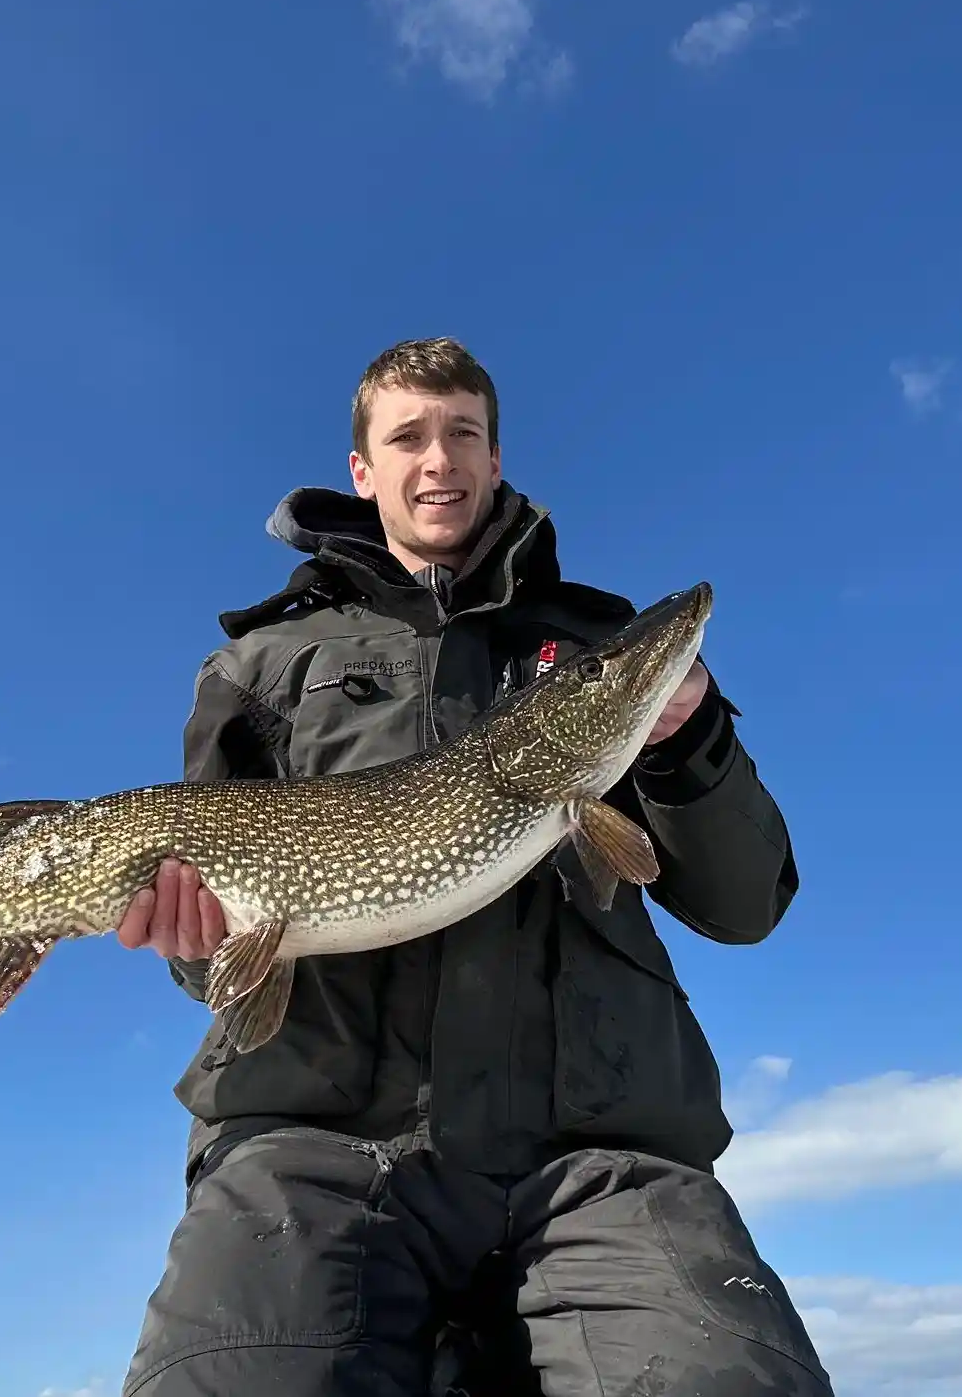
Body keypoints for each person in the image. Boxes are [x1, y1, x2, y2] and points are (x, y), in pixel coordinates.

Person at [114, 338, 833, 1397]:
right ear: (364, 470)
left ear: (496, 460)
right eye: (407, 436)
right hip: (313, 1149)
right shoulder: (260, 665)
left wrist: (685, 740)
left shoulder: (591, 644)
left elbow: (741, 905)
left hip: (600, 1158)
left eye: (463, 434)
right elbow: (212, 943)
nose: (437, 458)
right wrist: (197, 942)